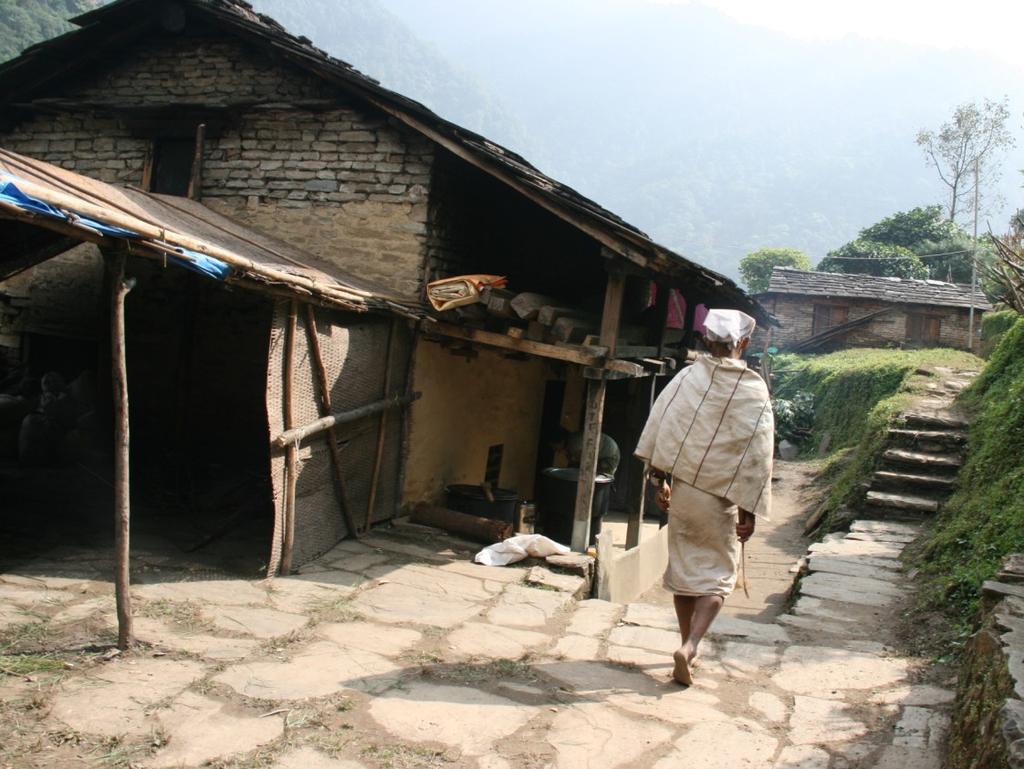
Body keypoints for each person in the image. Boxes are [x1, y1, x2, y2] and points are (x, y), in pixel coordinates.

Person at [634, 308, 774, 686]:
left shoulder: (687, 378)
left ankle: (684, 646)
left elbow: (665, 426)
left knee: (685, 574)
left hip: (683, 496)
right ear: (742, 343)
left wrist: (659, 479)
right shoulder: (753, 388)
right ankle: (692, 645)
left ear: (706, 341)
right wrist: (749, 510)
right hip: (720, 500)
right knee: (717, 577)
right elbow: (755, 454)